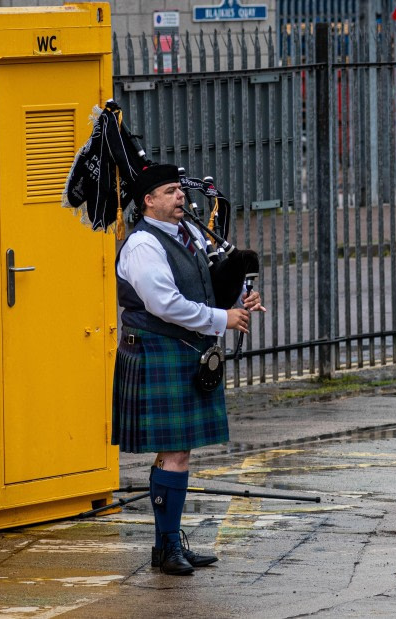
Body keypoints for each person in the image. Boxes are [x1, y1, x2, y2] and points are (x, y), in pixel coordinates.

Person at [112, 163, 264, 575]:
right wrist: (222, 319)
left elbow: (208, 280)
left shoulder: (189, 233)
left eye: (181, 190)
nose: (181, 196)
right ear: (149, 201)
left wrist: (243, 294)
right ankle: (166, 546)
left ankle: (168, 544)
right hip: (158, 348)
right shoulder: (143, 245)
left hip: (183, 349)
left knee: (179, 451)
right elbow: (166, 304)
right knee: (174, 451)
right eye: (171, 191)